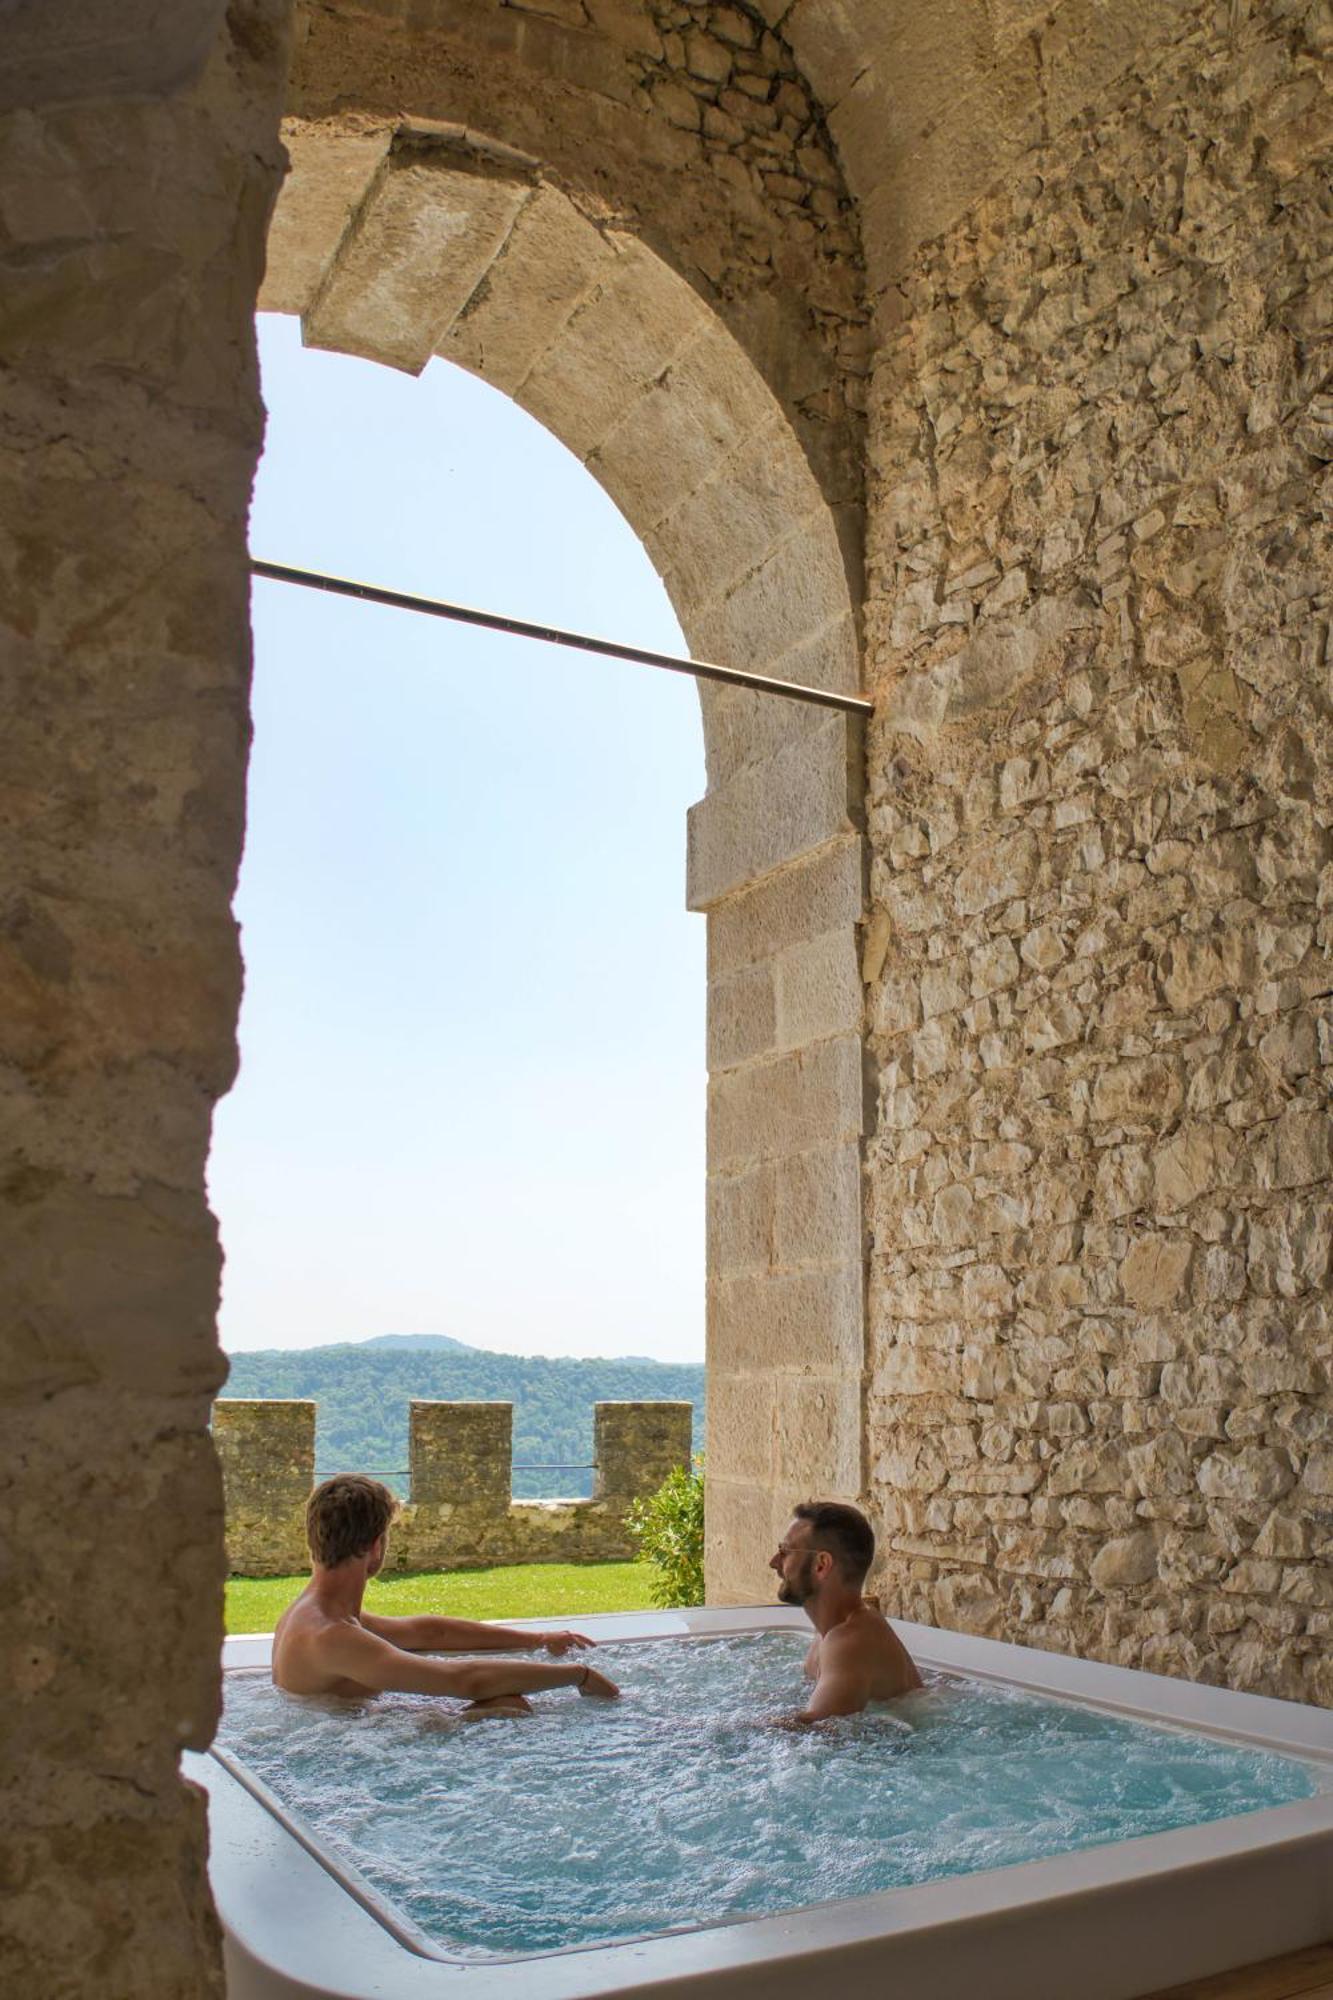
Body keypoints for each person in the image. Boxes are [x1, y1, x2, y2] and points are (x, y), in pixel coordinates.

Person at [272, 1473, 620, 1714]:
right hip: (344, 1760)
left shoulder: (322, 1615)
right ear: (376, 1546)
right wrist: (578, 1674)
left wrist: (538, 1638)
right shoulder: (332, 1636)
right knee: (508, 1708)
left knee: (507, 1703)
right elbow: (464, 1680)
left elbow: (428, 1633)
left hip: (344, 1733)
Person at [769, 1500, 921, 1723]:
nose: (774, 1562)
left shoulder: (851, 1642)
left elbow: (816, 1730)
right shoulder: (828, 1632)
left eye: (785, 1552)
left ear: (821, 1565)